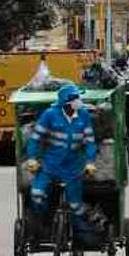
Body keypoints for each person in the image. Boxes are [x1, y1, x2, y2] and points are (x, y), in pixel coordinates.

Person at [23, 84, 98, 239]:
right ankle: (42, 226)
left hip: (74, 168)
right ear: (66, 102)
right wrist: (31, 159)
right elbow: (35, 139)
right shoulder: (49, 115)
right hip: (50, 166)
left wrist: (90, 162)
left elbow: (90, 142)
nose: (79, 101)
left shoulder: (83, 115)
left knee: (76, 206)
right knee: (37, 194)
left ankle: (79, 238)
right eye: (76, 98)